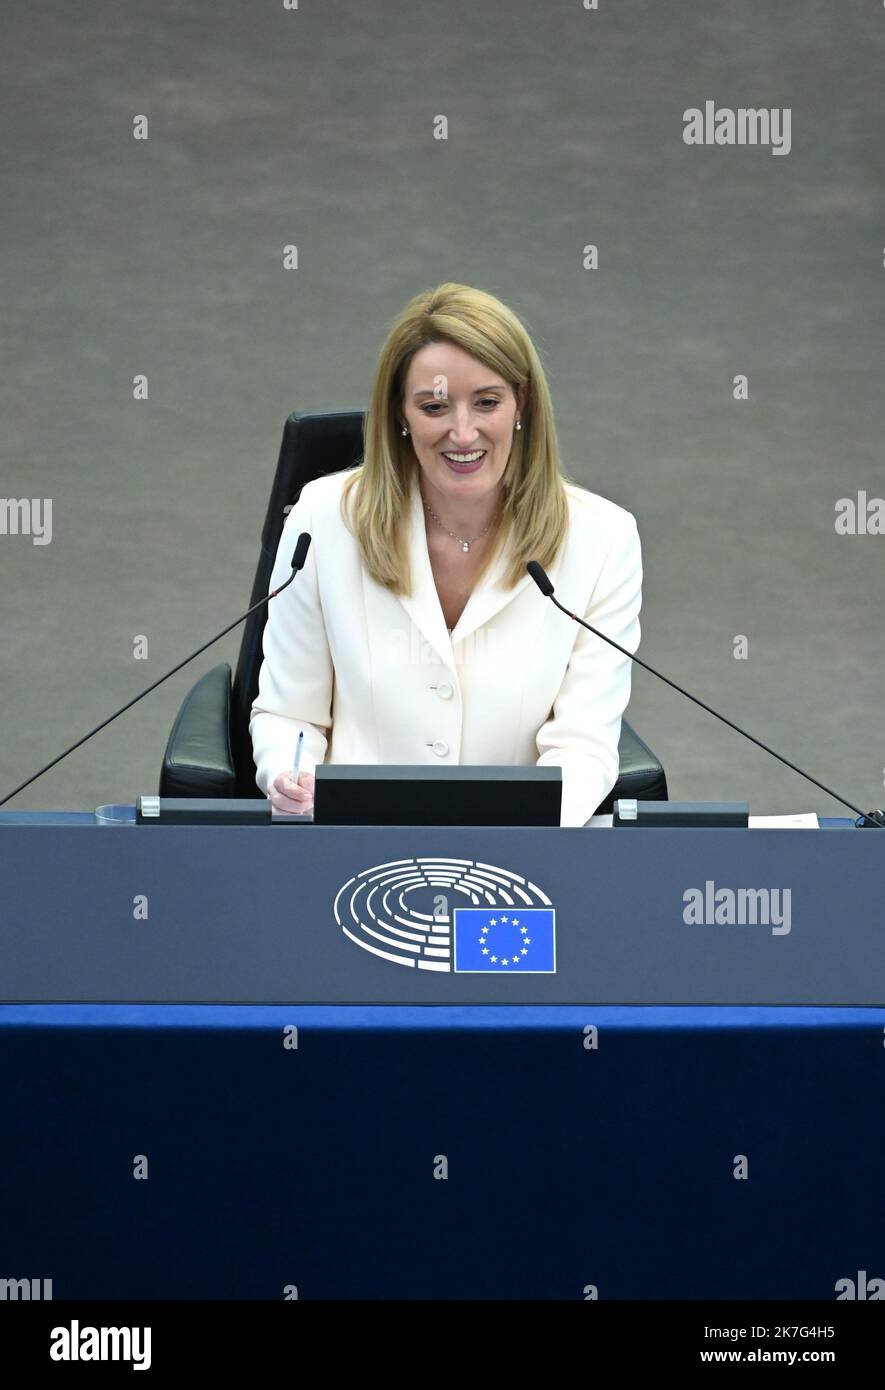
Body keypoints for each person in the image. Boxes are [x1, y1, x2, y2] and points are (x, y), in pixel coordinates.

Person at [250, 281, 642, 827]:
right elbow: (291, 714)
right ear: (400, 415)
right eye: (434, 406)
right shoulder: (322, 519)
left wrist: (519, 839)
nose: (463, 432)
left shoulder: (603, 539)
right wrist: (289, 775)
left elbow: (584, 746)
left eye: (486, 402)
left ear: (520, 403)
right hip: (349, 846)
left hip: (520, 857)